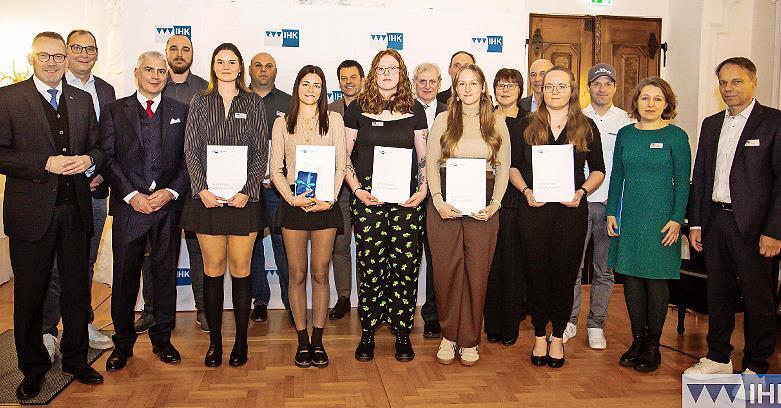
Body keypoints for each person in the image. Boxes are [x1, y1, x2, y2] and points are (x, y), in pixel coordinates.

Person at [0, 31, 105, 400]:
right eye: (44, 55)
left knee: (77, 291)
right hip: (31, 216)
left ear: (66, 60)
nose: (52, 62)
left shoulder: (80, 100)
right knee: (30, 295)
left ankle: (76, 358)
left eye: (59, 56)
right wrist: (45, 163)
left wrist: (90, 160)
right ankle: (32, 368)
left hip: (75, 212)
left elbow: (97, 146)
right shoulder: (9, 98)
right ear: (32, 57)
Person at [685, 57, 781, 375]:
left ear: (753, 81)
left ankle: (756, 364)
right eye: (723, 82)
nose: (728, 88)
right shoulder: (711, 124)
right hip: (715, 221)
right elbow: (700, 176)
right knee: (718, 293)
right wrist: (696, 222)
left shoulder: (773, 122)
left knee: (758, 300)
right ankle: (718, 356)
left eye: (736, 81)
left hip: (755, 229)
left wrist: (774, 231)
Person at [100, 51, 190, 372]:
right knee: (124, 279)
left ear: (167, 76)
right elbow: (107, 159)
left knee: (164, 277)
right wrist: (131, 195)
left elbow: (187, 159)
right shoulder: (114, 111)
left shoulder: (181, 110)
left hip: (167, 208)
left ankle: (163, 340)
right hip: (130, 209)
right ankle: (122, 345)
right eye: (149, 70)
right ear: (136, 72)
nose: (155, 75)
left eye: (161, 71)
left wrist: (170, 191)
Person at [181, 43, 268, 368]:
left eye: (232, 61)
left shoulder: (253, 102)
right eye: (220, 61)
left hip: (244, 200)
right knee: (213, 270)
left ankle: (241, 342)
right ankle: (216, 343)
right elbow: (191, 148)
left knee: (242, 270)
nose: (226, 66)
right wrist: (201, 189)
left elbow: (261, 150)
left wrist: (248, 189)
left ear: (240, 66)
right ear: (213, 66)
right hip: (207, 201)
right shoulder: (200, 101)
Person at [513, 66, 605, 369]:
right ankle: (539, 334)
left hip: (570, 212)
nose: (553, 91)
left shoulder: (586, 126)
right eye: (548, 85)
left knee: (565, 277)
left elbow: (598, 170)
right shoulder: (525, 125)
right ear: (541, 90)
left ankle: (557, 337)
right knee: (537, 274)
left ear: (572, 90)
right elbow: (513, 167)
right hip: (535, 210)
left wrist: (580, 193)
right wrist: (526, 191)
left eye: (561, 86)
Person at [343, 49, 428, 362]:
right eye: (381, 69)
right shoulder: (356, 109)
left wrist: (423, 190)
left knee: (406, 268)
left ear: (401, 73)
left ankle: (402, 331)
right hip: (368, 202)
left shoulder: (415, 109)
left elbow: (423, 156)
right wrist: (357, 189)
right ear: (373, 73)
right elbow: (346, 156)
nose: (387, 73)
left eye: (393, 68)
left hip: (407, 203)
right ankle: (367, 331)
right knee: (370, 267)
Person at [427, 63, 510, 366]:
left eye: (473, 83)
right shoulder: (443, 119)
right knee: (447, 273)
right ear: (455, 88)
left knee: (476, 273)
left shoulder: (496, 121)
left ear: (483, 87)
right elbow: (433, 163)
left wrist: (496, 203)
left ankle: (470, 340)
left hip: (483, 206)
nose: (467, 89)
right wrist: (437, 200)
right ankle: (449, 337)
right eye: (461, 83)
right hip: (444, 206)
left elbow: (502, 165)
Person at [606, 77, 690, 372]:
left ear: (667, 103)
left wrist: (677, 218)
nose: (650, 104)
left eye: (657, 99)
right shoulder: (627, 134)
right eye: (645, 98)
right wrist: (611, 212)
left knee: (655, 281)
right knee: (630, 279)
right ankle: (637, 340)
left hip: (661, 220)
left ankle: (653, 346)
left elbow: (683, 183)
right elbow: (617, 175)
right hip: (629, 216)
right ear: (636, 102)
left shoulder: (676, 137)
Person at [41, 29, 116, 356]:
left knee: (83, 261)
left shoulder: (106, 90)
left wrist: (95, 171)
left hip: (95, 192)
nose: (85, 53)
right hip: (54, 193)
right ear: (66, 52)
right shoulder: (53, 86)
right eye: (77, 48)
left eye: (91, 48)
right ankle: (47, 329)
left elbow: (108, 141)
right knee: (54, 265)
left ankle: (81, 322)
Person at [270, 65, 346, 368]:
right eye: (306, 83)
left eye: (317, 85)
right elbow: (275, 169)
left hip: (326, 205)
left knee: (319, 272)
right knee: (297, 274)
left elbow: (341, 164)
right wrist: (291, 199)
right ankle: (302, 340)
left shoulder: (335, 120)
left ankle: (318, 339)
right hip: (294, 203)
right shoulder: (282, 123)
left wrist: (330, 198)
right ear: (297, 86)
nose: (311, 89)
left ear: (323, 90)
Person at [136, 34, 209, 334]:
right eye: (174, 49)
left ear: (193, 54)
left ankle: (204, 309)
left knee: (198, 250)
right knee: (152, 252)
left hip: (193, 186)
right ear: (166, 55)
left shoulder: (206, 89)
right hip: (156, 189)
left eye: (186, 48)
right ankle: (151, 310)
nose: (180, 53)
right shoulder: (152, 87)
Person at [564, 63, 632, 349]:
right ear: (588, 88)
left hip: (610, 205)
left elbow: (627, 167)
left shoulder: (628, 120)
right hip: (578, 203)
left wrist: (620, 203)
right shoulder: (576, 119)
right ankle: (569, 321)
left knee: (604, 270)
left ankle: (597, 325)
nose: (602, 89)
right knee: (573, 268)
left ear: (615, 87)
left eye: (607, 83)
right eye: (596, 84)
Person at [248, 52, 293, 325]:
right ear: (249, 70)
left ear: (275, 71)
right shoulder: (239, 99)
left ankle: (291, 301)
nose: (263, 70)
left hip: (280, 186)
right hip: (247, 187)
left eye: (269, 66)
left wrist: (278, 176)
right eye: (258, 66)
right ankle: (260, 300)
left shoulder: (289, 102)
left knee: (283, 243)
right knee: (252, 243)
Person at [483, 68, 528, 346]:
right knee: (490, 264)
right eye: (500, 85)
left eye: (512, 85)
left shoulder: (530, 122)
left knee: (512, 266)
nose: (505, 89)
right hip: (486, 198)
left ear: (520, 90)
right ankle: (492, 323)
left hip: (516, 201)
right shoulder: (485, 119)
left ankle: (509, 324)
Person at [327, 59, 364, 320]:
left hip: (367, 190)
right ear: (338, 82)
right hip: (338, 190)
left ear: (362, 79)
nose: (349, 82)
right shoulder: (328, 112)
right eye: (344, 78)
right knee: (340, 246)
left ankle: (367, 299)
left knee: (366, 248)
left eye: (353, 77)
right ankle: (343, 297)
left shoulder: (374, 108)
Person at [413, 62, 447, 339]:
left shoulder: (451, 111)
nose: (427, 86)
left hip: (440, 194)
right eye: (422, 81)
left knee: (437, 257)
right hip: (408, 192)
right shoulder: (404, 108)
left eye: (432, 81)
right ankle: (400, 312)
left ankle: (434, 316)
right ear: (414, 82)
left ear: (440, 83)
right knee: (409, 257)